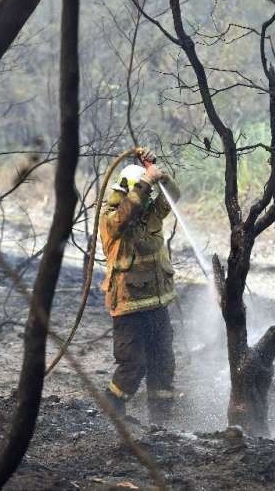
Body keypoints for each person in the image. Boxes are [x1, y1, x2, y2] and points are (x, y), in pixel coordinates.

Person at [99, 147, 181, 424]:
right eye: (143, 193)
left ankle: (161, 423)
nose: (147, 200)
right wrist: (146, 182)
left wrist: (158, 173)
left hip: (157, 304)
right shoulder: (112, 219)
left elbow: (174, 197)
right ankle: (112, 412)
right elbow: (124, 215)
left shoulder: (151, 214)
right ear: (129, 192)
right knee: (133, 365)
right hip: (128, 305)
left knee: (163, 364)